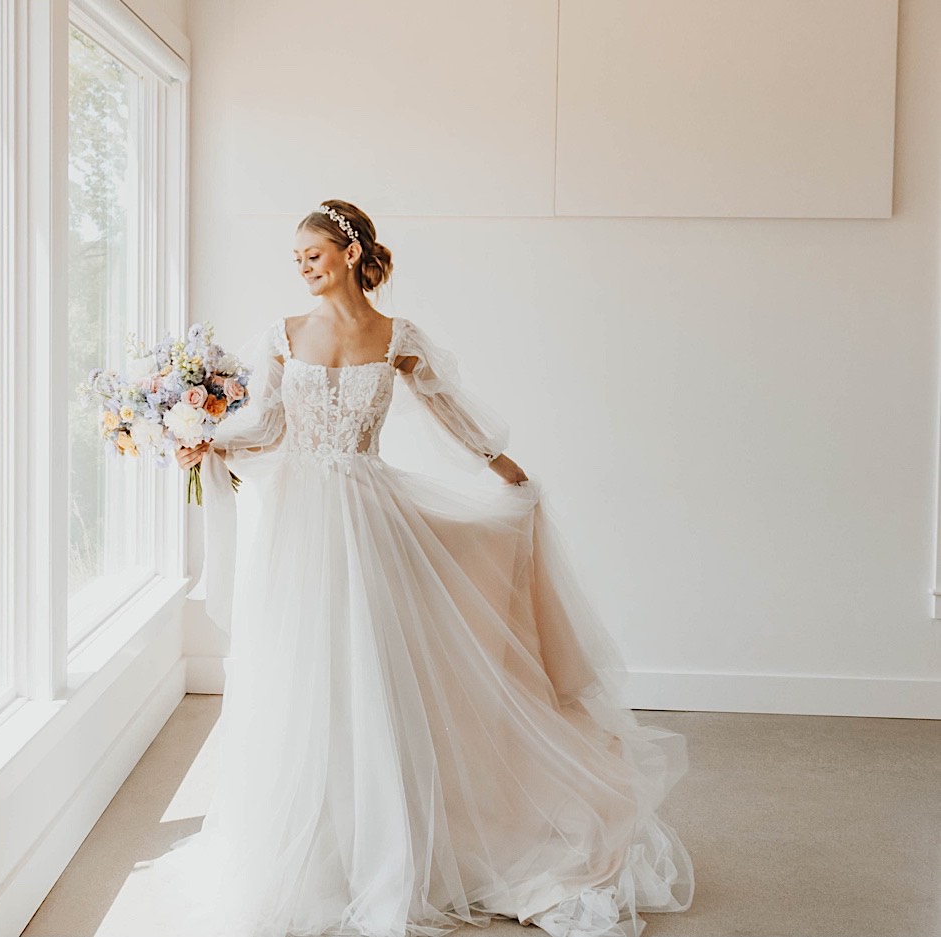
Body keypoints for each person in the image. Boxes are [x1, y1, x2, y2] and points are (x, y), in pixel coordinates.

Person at [161, 200, 695, 937]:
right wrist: (205, 439)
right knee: (301, 668)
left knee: (371, 666)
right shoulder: (283, 336)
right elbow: (268, 426)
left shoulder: (396, 336)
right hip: (300, 523)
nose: (303, 267)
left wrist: (505, 467)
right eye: (296, 259)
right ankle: (315, 845)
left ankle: (391, 837)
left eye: (313, 254)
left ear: (351, 253)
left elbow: (449, 408)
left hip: (369, 514)